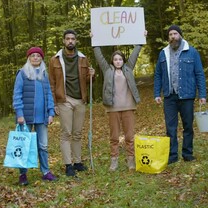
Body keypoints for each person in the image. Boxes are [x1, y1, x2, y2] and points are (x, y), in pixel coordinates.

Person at [92, 32, 146, 171]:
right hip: (113, 108)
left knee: (129, 136)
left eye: (120, 59)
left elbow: (134, 54)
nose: (118, 61)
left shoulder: (128, 68)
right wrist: (95, 41)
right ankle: (114, 161)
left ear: (123, 61)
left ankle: (130, 160)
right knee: (114, 136)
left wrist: (140, 40)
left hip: (128, 107)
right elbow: (99, 57)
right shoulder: (107, 70)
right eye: (115, 59)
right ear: (112, 61)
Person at [154, 24, 207, 164]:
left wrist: (202, 94)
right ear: (168, 37)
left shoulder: (192, 52)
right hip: (169, 96)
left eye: (175, 34)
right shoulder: (163, 53)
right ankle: (172, 155)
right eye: (170, 35)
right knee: (170, 127)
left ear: (180, 35)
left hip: (187, 95)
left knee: (188, 126)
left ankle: (187, 154)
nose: (173, 37)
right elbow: (158, 74)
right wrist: (157, 93)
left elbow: (199, 74)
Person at [48, 29, 95, 177]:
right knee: (66, 133)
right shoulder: (54, 60)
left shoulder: (82, 58)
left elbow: (88, 81)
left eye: (73, 39)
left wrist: (92, 76)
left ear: (76, 41)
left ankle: (78, 162)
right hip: (64, 99)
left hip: (80, 99)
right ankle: (68, 165)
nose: (70, 41)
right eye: (67, 39)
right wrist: (54, 103)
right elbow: (51, 83)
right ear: (63, 41)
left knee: (77, 133)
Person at [12, 47, 57, 185]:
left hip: (41, 117)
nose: (36, 58)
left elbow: (49, 94)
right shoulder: (22, 74)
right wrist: (19, 114)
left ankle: (45, 172)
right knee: (24, 145)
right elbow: (17, 95)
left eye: (38, 56)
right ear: (29, 58)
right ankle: (23, 175)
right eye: (33, 56)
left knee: (43, 146)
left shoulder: (44, 74)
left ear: (41, 58)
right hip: (25, 118)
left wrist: (51, 112)